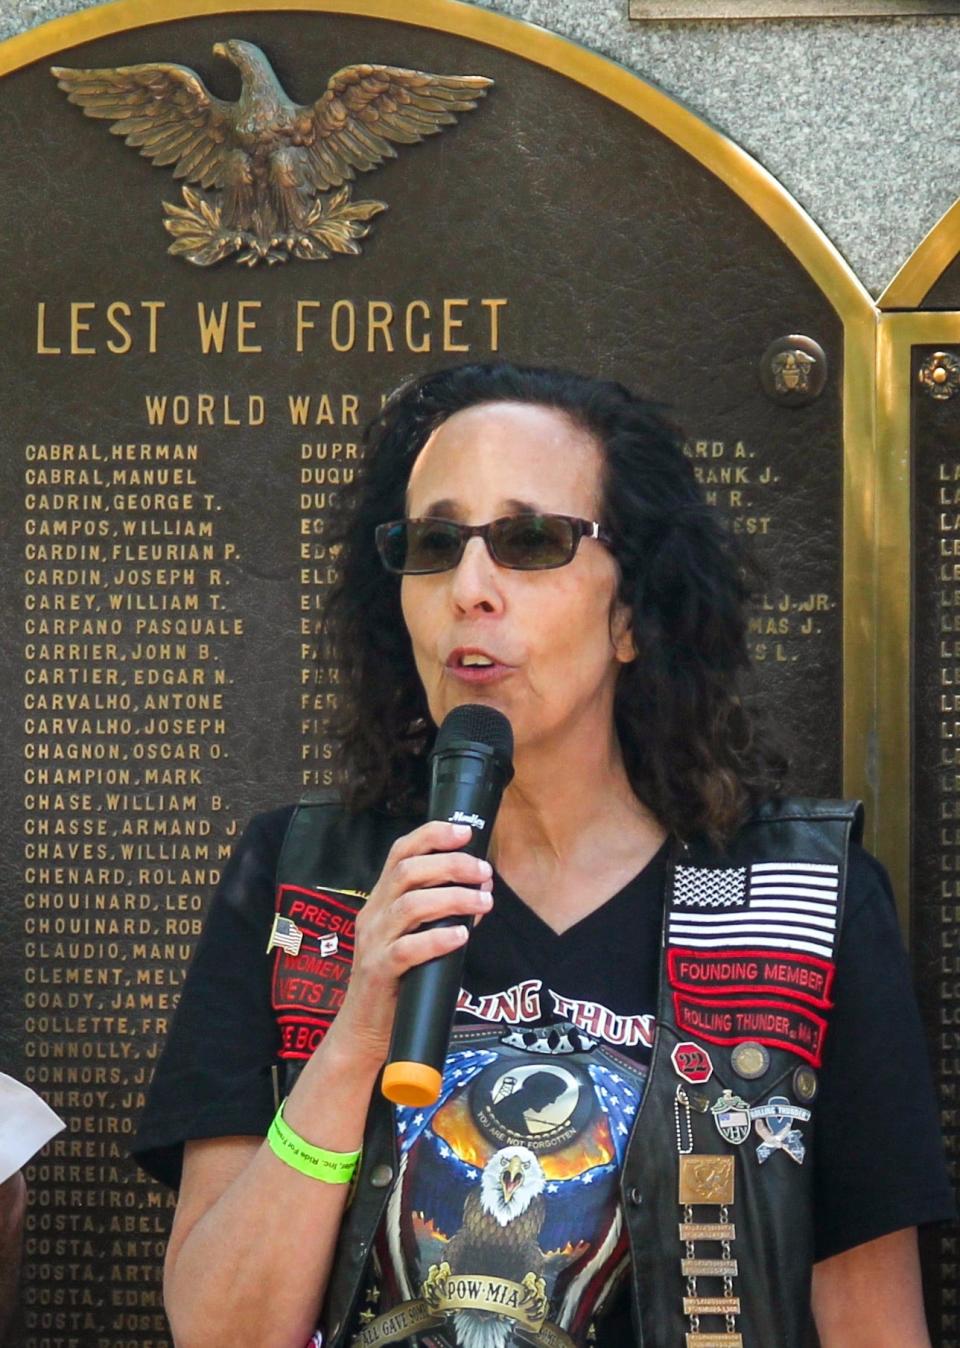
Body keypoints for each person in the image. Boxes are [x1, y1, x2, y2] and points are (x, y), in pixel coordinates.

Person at [133, 362, 954, 1348]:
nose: (470, 590)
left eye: (530, 541)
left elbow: (874, 1326)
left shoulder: (802, 904)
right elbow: (221, 1331)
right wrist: (357, 1032)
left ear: (632, 614)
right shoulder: (299, 878)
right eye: (435, 544)